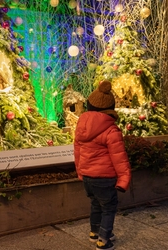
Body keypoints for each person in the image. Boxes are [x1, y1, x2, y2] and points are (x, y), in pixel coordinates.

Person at [74, 80, 131, 250]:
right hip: (105, 178)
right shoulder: (111, 130)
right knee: (108, 208)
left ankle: (94, 232)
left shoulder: (81, 126)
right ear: (110, 108)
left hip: (88, 178)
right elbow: (119, 158)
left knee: (95, 204)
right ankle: (104, 240)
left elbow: (77, 152)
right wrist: (124, 179)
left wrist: (80, 172)